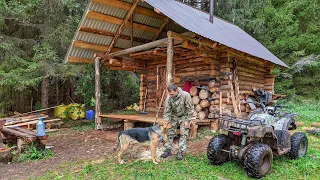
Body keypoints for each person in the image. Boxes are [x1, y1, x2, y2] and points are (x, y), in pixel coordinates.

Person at [161, 83, 194, 160]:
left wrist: (188, 120)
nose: (171, 95)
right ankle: (168, 149)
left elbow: (190, 109)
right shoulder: (169, 98)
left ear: (176, 90)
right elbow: (167, 112)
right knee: (170, 131)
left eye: (172, 94)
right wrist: (166, 122)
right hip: (174, 116)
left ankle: (180, 151)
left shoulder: (186, 95)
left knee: (184, 133)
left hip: (184, 116)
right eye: (170, 94)